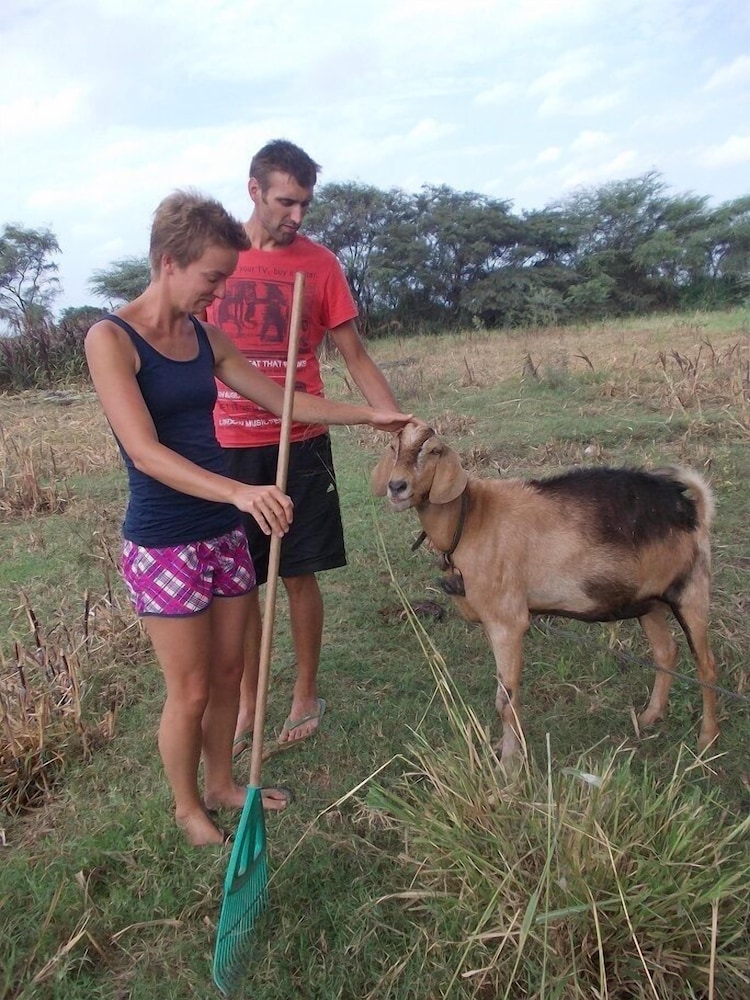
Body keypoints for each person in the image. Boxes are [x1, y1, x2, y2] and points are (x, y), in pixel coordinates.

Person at [84, 189, 411, 846]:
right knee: (192, 690)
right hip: (166, 541)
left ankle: (221, 784)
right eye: (212, 278)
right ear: (170, 262)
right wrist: (238, 492)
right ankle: (187, 808)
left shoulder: (206, 337)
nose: (219, 292)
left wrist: (371, 416)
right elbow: (144, 452)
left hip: (221, 534)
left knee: (231, 675)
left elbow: (282, 400)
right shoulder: (111, 339)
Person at [207, 140, 401, 756]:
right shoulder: (217, 257)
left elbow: (355, 355)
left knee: (297, 571)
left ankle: (305, 692)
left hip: (301, 440)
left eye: (305, 205)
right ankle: (249, 700)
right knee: (242, 580)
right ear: (254, 191)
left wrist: (393, 421)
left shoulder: (319, 265)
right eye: (286, 202)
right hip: (228, 445)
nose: (296, 216)